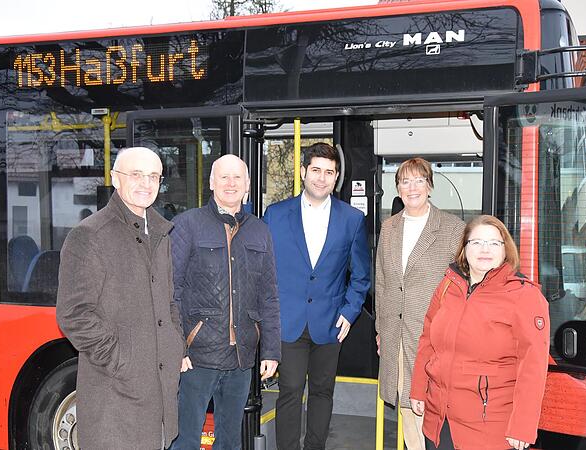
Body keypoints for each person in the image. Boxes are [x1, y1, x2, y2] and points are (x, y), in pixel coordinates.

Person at [56, 147, 184, 450]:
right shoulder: (90, 235)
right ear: (115, 178)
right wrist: (122, 362)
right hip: (115, 397)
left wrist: (175, 343)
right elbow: (74, 314)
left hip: (159, 396)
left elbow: (169, 302)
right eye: (136, 174)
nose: (146, 183)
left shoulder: (161, 233)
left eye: (153, 176)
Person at [264, 142, 371, 450]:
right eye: (316, 171)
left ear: (336, 177)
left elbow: (361, 275)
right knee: (290, 390)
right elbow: (264, 272)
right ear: (303, 173)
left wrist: (350, 313)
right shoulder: (275, 214)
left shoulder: (351, 219)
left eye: (329, 172)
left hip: (331, 323)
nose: (322, 178)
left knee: (323, 391)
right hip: (288, 321)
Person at [410, 215, 550, 450]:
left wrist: (523, 425)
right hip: (439, 421)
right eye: (476, 242)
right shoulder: (447, 285)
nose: (485, 249)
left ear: (506, 250)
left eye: (494, 243)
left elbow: (533, 366)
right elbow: (427, 341)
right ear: (464, 249)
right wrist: (417, 390)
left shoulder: (525, 295)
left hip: (489, 428)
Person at [169, 154, 280, 450]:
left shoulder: (261, 230)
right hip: (195, 358)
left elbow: (269, 295)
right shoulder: (186, 225)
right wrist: (177, 347)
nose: (231, 183)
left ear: (247, 185)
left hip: (242, 358)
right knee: (185, 441)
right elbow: (172, 291)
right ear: (211, 183)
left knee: (230, 442)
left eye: (237, 178)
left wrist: (270, 350)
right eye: (224, 177)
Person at [375, 158, 464, 450]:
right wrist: (380, 330)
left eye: (419, 180)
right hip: (395, 337)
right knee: (406, 409)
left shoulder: (452, 229)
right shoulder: (388, 228)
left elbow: (462, 289)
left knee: (434, 411)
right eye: (404, 181)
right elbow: (383, 283)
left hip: (433, 340)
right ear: (398, 189)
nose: (411, 187)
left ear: (430, 186)